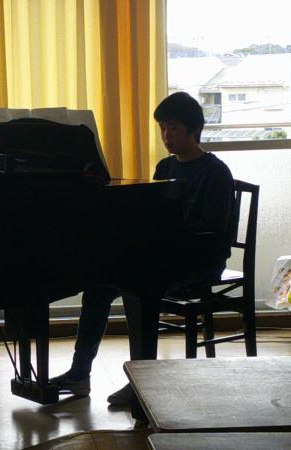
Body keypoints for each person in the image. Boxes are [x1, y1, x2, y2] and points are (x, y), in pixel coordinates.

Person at [50, 91, 235, 406]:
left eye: (173, 128)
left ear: (194, 129)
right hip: (165, 255)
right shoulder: (165, 167)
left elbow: (215, 232)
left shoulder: (215, 172)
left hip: (200, 259)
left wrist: (167, 239)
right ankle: (79, 374)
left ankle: (143, 383)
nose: (166, 135)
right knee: (98, 286)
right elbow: (151, 216)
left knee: (142, 286)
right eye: (162, 128)